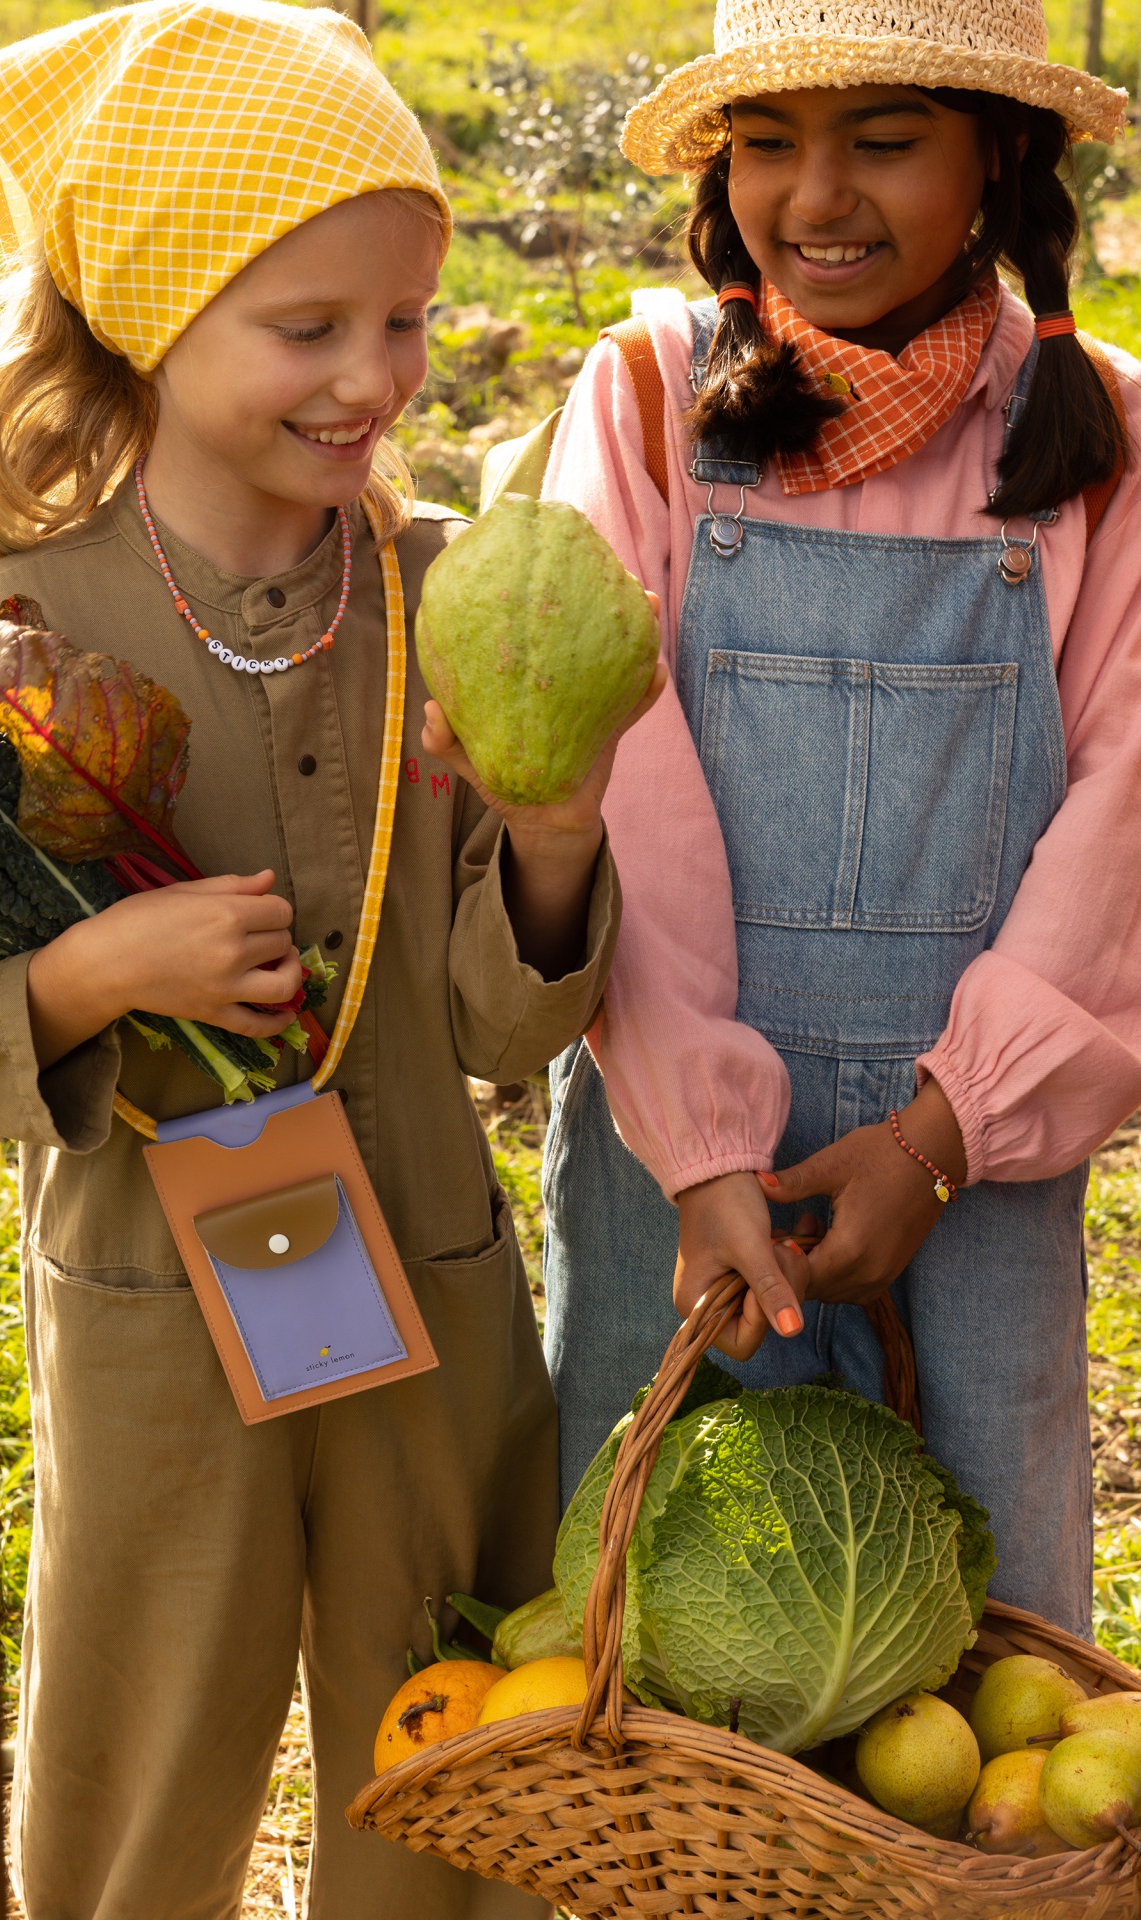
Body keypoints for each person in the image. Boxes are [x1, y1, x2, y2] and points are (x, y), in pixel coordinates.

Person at [0, 7, 658, 1915]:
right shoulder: (15, 645)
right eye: (306, 329)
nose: (373, 381)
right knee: (140, 1745)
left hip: (423, 1269)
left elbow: (510, 1024)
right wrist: (97, 974)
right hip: (158, 1307)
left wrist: (556, 830)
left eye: (402, 323)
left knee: (445, 1758)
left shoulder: (447, 595)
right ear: (158, 323)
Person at [541, 0, 1140, 1642]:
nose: (817, 197)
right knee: (662, 1638)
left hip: (976, 1161)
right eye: (768, 144)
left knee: (980, 1652)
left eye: (884, 140)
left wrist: (940, 1138)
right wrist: (703, 1144)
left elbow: (1127, 818)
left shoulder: (1104, 436)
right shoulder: (649, 399)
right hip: (669, 1149)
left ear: (999, 154)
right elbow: (617, 775)